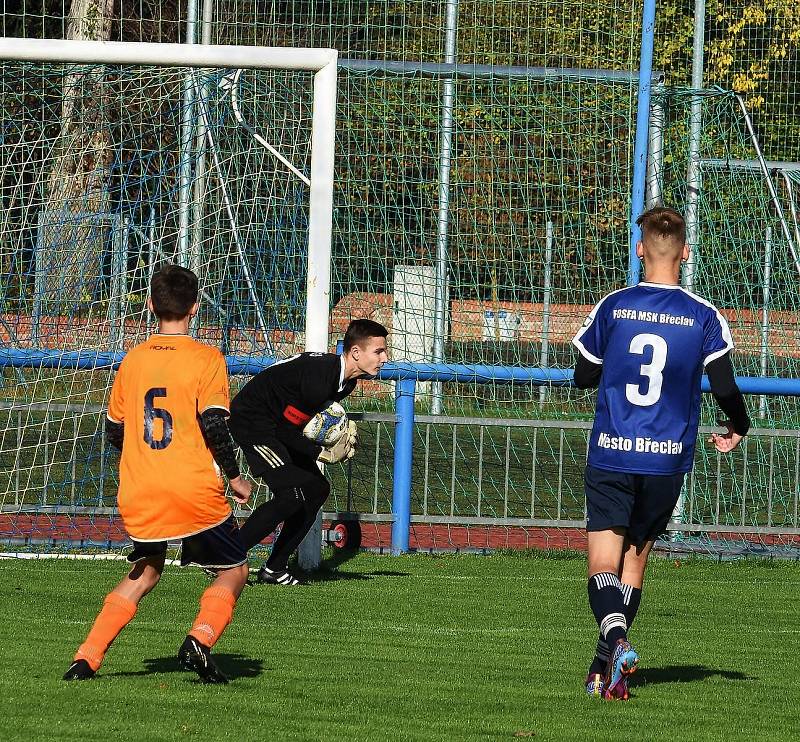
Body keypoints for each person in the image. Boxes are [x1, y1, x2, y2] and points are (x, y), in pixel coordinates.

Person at [571, 207, 750, 701]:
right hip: (667, 460)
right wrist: (739, 426)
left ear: (639, 250)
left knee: (602, 566)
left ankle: (614, 637)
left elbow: (583, 375)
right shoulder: (703, 315)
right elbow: (726, 387)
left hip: (612, 450)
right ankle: (603, 670)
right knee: (634, 563)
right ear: (686, 253)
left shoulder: (615, 306)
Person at [63, 264, 252, 684]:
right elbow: (215, 426)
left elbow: (115, 429)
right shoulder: (206, 357)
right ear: (196, 308)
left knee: (147, 569)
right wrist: (235, 476)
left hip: (140, 487)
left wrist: (145, 459)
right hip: (192, 487)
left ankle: (86, 658)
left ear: (150, 306)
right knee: (234, 569)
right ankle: (200, 640)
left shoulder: (133, 360)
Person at [228, 318, 389, 585]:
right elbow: (284, 432)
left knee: (317, 490)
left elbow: (299, 422)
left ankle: (274, 568)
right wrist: (323, 453)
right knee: (289, 497)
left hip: (277, 424)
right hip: (254, 423)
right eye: (379, 351)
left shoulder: (346, 382)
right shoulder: (321, 379)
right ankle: (227, 558)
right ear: (356, 353)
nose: (385, 358)